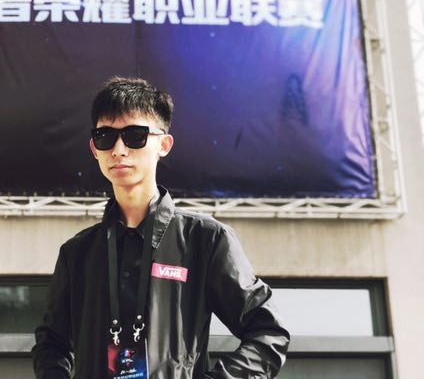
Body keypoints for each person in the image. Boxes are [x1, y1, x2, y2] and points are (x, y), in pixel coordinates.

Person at [33, 76, 290, 378]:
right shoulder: (77, 253)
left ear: (163, 145)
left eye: (134, 135)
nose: (118, 149)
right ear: (94, 148)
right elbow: (51, 345)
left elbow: (268, 332)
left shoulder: (205, 241)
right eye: (105, 136)